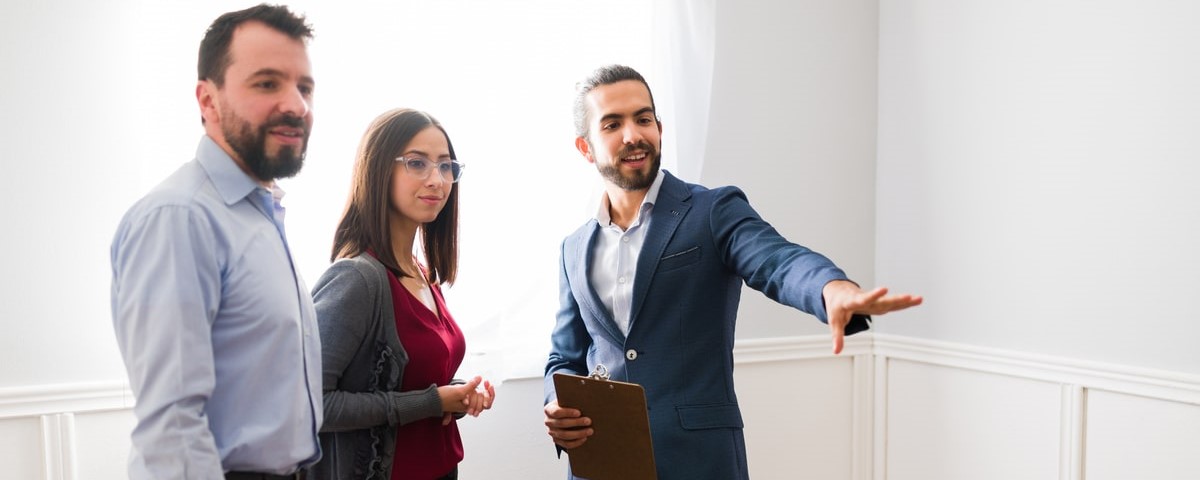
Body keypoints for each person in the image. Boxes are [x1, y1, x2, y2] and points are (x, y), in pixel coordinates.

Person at [542, 64, 924, 479]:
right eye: (613, 124)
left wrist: (832, 290)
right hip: (603, 463)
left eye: (643, 118)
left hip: (699, 461)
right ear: (585, 147)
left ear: (659, 128)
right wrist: (556, 402)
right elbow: (564, 356)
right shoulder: (573, 249)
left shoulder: (712, 211)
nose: (633, 134)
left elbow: (777, 260)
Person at [110, 4, 321, 480]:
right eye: (267, 83)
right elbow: (173, 432)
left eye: (304, 87)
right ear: (207, 100)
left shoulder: (260, 215)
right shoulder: (180, 218)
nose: (296, 104)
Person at [309, 108, 496, 480]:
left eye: (446, 166)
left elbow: (408, 382)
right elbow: (312, 405)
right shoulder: (356, 279)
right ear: (378, 170)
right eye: (417, 163)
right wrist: (430, 402)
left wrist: (457, 395)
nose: (437, 180)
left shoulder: (421, 272)